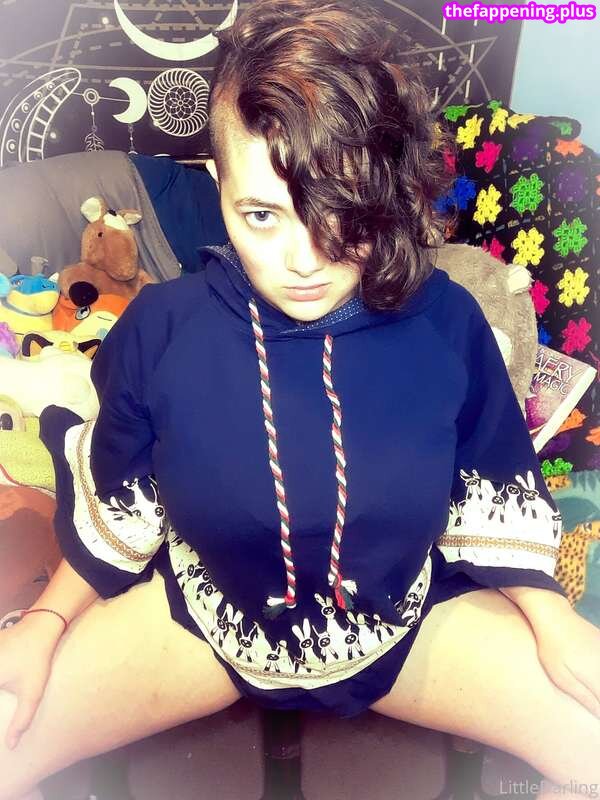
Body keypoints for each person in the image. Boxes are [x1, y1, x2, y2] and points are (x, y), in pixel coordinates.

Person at [2, 0, 599, 798]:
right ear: (218, 186)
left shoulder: (450, 321)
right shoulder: (159, 329)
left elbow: (490, 480)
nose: (304, 260)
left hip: (406, 627)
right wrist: (44, 624)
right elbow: (123, 494)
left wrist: (550, 617)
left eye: (341, 210)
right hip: (203, 624)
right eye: (262, 215)